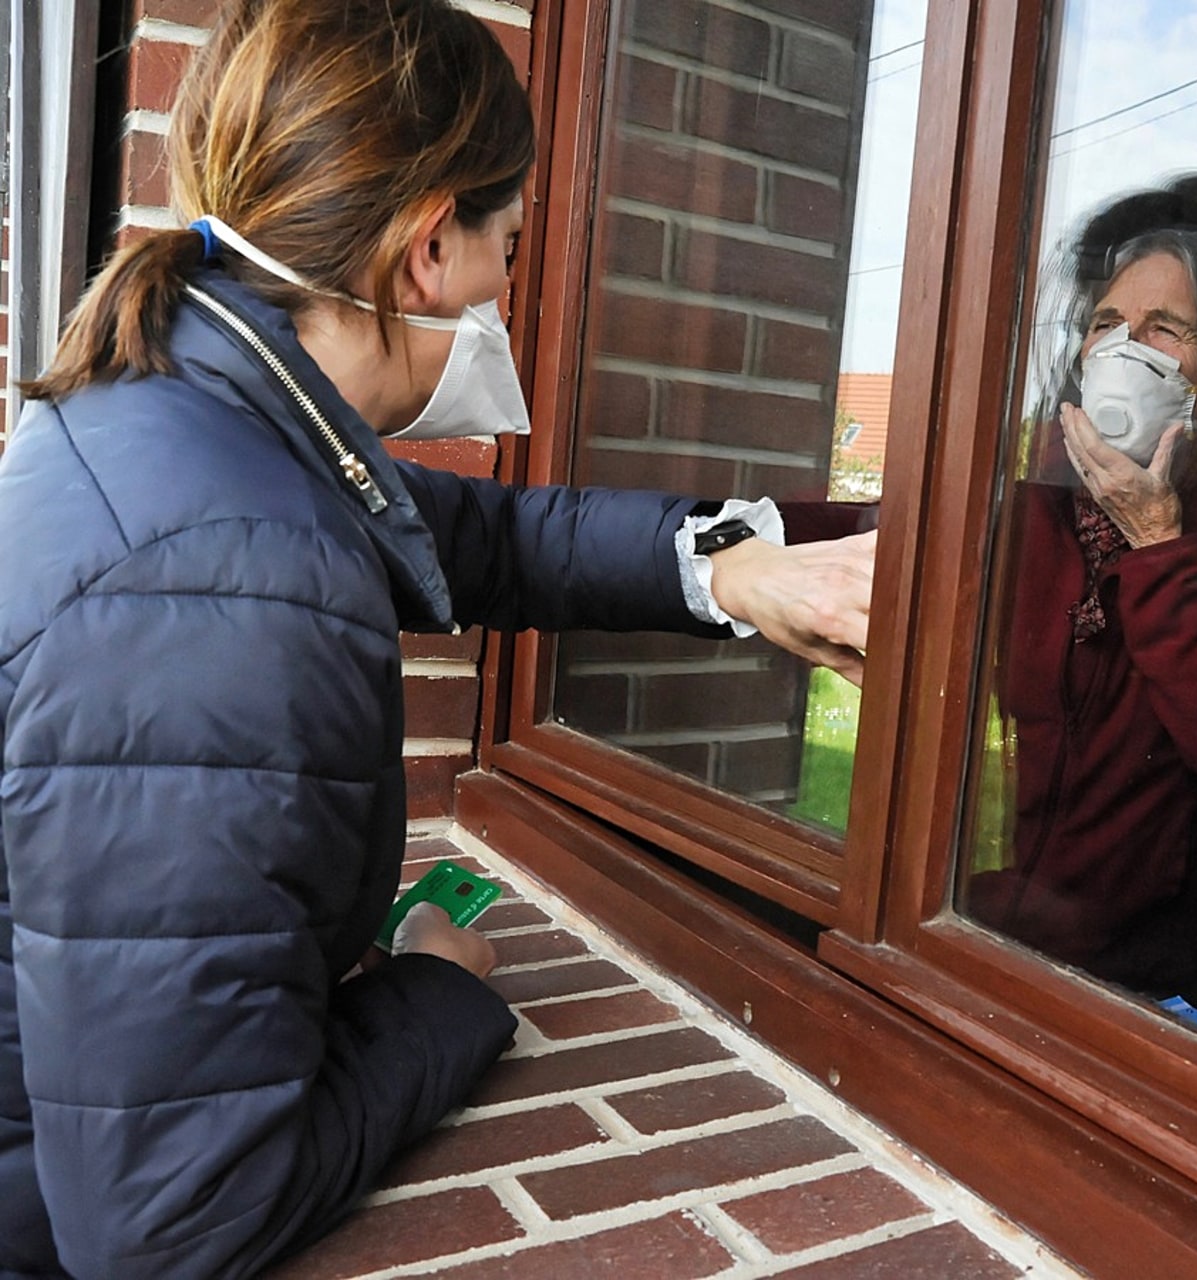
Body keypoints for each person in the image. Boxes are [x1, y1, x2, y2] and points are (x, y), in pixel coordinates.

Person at [0, 2, 875, 1275]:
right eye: (505, 247)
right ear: (426, 251)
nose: (505, 292)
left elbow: (488, 535)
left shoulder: (188, 408)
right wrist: (441, 989)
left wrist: (732, 569)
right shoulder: (213, 588)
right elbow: (173, 1220)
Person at [965, 175, 1197, 999]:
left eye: (1165, 329)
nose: (1122, 350)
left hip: (1140, 981)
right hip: (993, 931)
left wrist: (1156, 537)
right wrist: (709, 541)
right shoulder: (1036, 499)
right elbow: (891, 537)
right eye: (1106, 324)